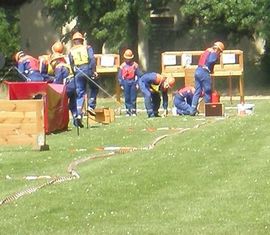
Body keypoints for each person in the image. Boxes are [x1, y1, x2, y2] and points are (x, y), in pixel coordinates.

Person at [68, 32, 98, 121]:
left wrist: (74, 73)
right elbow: (92, 59)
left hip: (78, 71)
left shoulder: (71, 51)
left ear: (74, 41)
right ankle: (91, 106)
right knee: (94, 88)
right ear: (82, 40)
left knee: (80, 93)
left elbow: (71, 63)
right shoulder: (87, 47)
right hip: (87, 69)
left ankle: (79, 113)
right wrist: (94, 71)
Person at [190, 41, 224, 116]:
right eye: (220, 51)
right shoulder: (214, 53)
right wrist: (216, 59)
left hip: (197, 71)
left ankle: (192, 111)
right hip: (204, 72)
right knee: (207, 91)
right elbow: (210, 61)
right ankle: (209, 111)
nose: (219, 53)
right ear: (218, 49)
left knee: (197, 92)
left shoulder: (207, 50)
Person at [50, 52, 83, 128]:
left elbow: (58, 81)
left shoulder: (59, 67)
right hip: (76, 85)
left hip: (68, 87)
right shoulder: (67, 66)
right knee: (73, 105)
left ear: (56, 60)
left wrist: (53, 89)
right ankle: (76, 119)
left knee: (59, 104)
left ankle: (58, 122)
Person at [118, 49, 143, 116]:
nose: (128, 60)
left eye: (129, 58)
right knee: (127, 97)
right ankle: (128, 111)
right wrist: (121, 84)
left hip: (133, 82)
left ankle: (133, 111)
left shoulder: (135, 65)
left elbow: (139, 75)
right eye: (127, 58)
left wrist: (137, 83)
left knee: (133, 98)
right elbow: (120, 76)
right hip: (125, 82)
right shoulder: (122, 66)